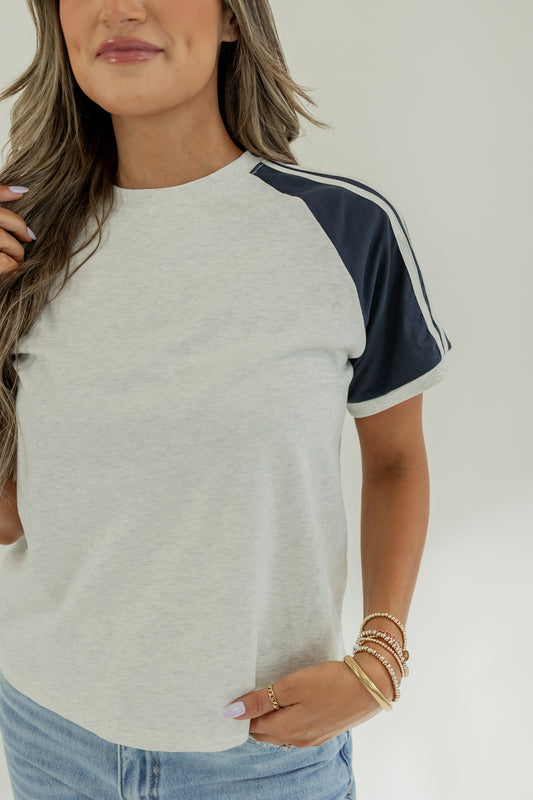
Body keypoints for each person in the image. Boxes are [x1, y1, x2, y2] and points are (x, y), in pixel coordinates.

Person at [0, 1, 452, 798]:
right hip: (49, 733)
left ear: (233, 19)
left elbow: (394, 462)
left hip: (263, 754)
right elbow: (10, 517)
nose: (121, 9)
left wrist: (379, 659)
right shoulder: (22, 238)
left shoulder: (344, 231)